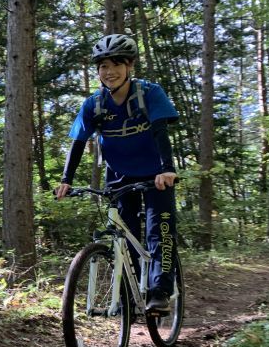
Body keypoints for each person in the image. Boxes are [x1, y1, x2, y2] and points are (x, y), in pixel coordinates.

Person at [55, 34, 178, 312]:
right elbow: (77, 142)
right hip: (120, 176)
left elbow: (160, 132)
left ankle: (160, 291)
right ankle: (129, 298)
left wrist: (167, 170)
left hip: (156, 175)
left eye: (116, 65)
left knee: (161, 230)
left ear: (130, 65)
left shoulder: (149, 94)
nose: (109, 72)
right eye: (103, 66)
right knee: (126, 234)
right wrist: (66, 180)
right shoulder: (94, 105)